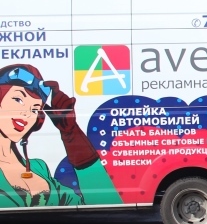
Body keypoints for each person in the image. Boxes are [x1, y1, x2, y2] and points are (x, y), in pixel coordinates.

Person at [0, 64, 121, 207]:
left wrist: (71, 133)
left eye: (35, 109)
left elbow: (103, 201)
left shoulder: (39, 167)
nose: (27, 113)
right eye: (18, 100)